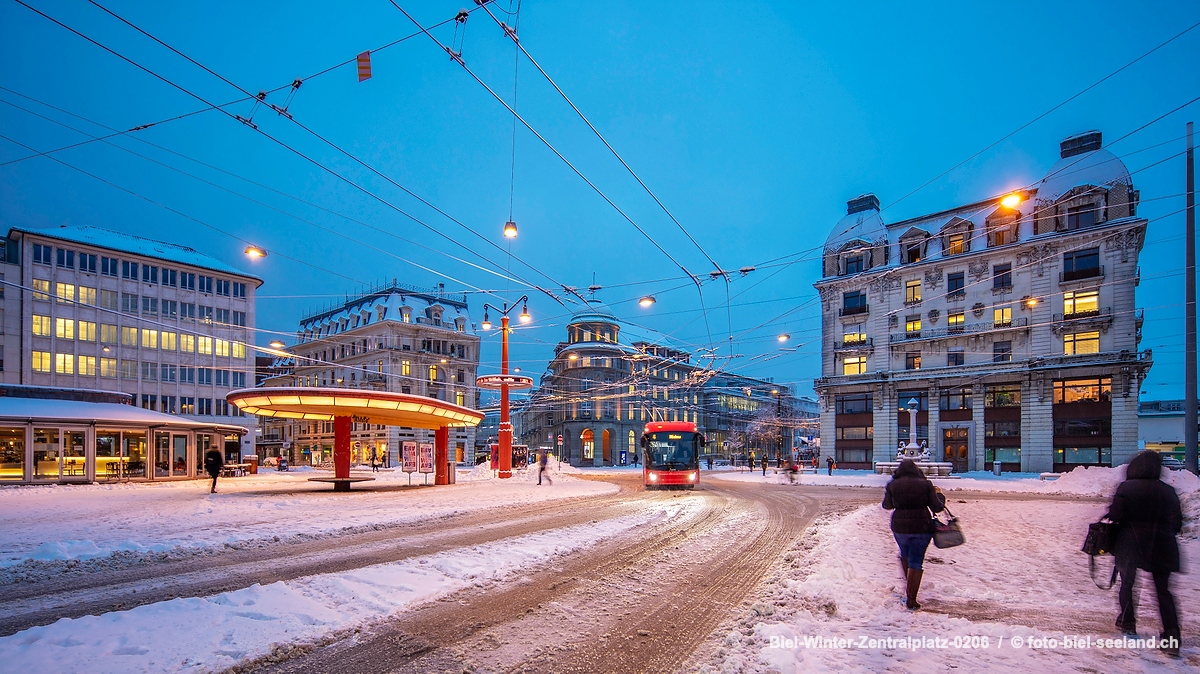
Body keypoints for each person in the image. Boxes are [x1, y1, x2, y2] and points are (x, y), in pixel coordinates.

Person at [1107, 451, 1182, 656]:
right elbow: (1177, 522)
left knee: (1128, 584)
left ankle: (1128, 621)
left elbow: (1116, 515)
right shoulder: (1168, 491)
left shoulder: (1127, 487)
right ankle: (1172, 637)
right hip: (1163, 545)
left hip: (1131, 543)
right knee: (1163, 592)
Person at [882, 459, 945, 610]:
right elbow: (937, 508)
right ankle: (911, 598)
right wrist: (940, 496)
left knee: (904, 554)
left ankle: (909, 588)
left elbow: (887, 505)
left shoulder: (893, 484)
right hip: (921, 526)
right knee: (916, 561)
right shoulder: (926, 484)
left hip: (900, 527)